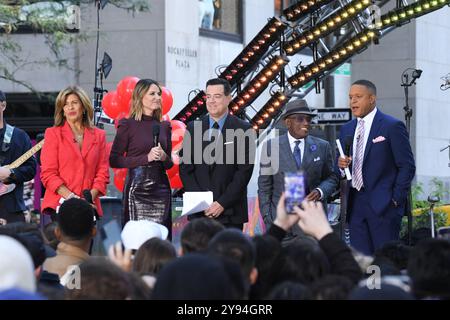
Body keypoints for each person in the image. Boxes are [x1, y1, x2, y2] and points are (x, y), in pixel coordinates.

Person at [338, 80, 415, 255]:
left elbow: (407, 166)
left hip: (384, 205)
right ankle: (369, 284)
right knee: (363, 261)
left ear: (372, 99)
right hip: (355, 204)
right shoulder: (346, 129)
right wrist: (342, 166)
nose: (353, 102)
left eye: (358, 97)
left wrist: (396, 200)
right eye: (350, 97)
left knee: (385, 260)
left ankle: (383, 284)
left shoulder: (391, 126)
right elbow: (341, 169)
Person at [179, 78, 255, 230]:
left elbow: (244, 172)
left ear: (228, 98)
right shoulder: (193, 128)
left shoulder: (244, 129)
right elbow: (185, 169)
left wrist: (222, 203)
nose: (212, 101)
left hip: (230, 214)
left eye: (217, 96)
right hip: (199, 214)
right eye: (208, 96)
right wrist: (202, 203)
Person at [258, 99, 338, 242]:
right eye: (300, 119)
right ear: (287, 122)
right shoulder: (271, 147)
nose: (306, 123)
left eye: (308, 119)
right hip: (281, 224)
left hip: (311, 225)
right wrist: (268, 217)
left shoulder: (322, 146)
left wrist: (320, 191)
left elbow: (332, 177)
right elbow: (264, 186)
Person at [109, 79, 173, 233]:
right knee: (136, 239)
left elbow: (169, 164)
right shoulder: (127, 125)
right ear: (140, 97)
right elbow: (114, 159)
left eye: (159, 94)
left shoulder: (164, 126)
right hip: (137, 189)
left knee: (160, 240)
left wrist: (164, 157)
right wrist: (146, 158)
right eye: (152, 93)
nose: (158, 97)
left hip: (161, 189)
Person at [40, 86, 109, 222]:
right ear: (62, 111)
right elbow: (48, 174)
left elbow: (103, 173)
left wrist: (87, 200)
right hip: (61, 204)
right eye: (65, 104)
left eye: (74, 103)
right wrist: (73, 199)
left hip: (89, 205)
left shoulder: (99, 136)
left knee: (86, 243)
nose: (70, 107)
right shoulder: (53, 134)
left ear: (83, 107)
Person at [0, 90, 37, 224]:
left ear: (3, 105)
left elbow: (31, 169)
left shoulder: (19, 136)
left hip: (12, 210)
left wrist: (11, 173)